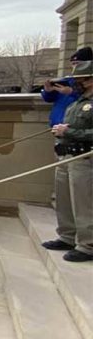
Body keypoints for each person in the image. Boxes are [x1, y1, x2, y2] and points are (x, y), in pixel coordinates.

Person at [46, 67, 93, 262]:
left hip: (83, 156)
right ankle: (67, 236)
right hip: (66, 155)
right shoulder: (77, 101)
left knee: (83, 202)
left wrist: (70, 132)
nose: (75, 83)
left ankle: (88, 244)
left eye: (79, 79)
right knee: (64, 199)